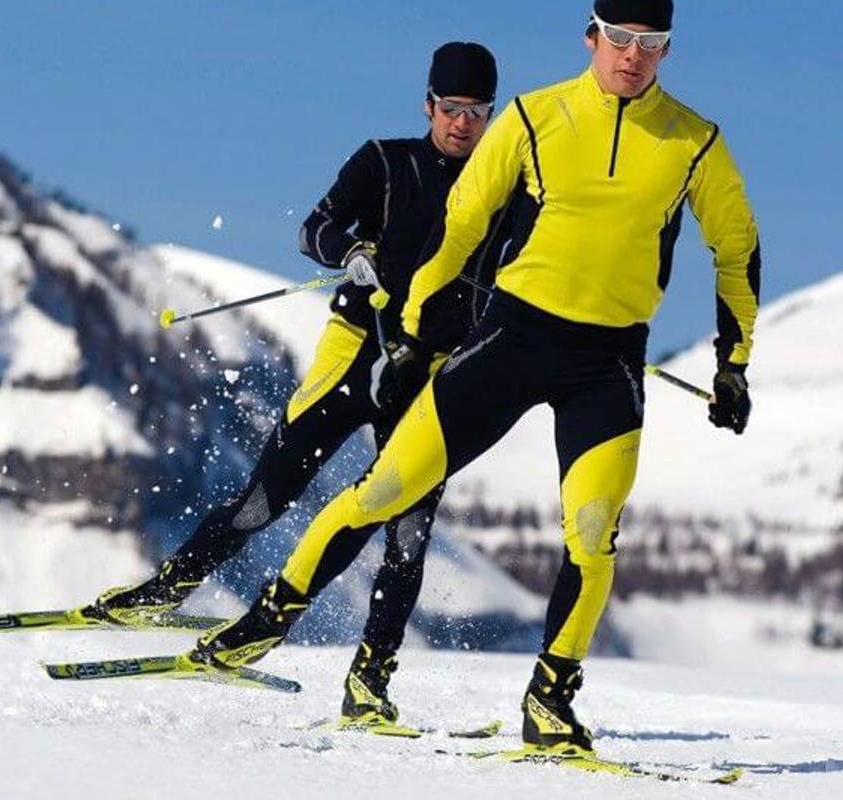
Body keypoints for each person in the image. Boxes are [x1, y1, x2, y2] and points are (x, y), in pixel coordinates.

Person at [187, 0, 760, 757]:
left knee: (592, 536)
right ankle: (265, 621)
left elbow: (737, 245)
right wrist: (413, 334)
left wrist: (734, 364)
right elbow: (463, 221)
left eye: (651, 44)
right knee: (387, 488)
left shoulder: (694, 141)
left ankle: (550, 700)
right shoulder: (532, 118)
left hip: (608, 362)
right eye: (620, 38)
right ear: (592, 37)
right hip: (513, 338)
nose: (633, 56)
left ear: (666, 51)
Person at [86, 42, 512, 725]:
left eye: (479, 112)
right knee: (273, 488)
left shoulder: (502, 186)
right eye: (453, 108)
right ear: (429, 104)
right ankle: (170, 587)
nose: (464, 125)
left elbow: (526, 268)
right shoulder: (384, 161)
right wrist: (352, 252)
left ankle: (371, 678)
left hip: (430, 371)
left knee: (408, 531)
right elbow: (314, 228)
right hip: (355, 353)